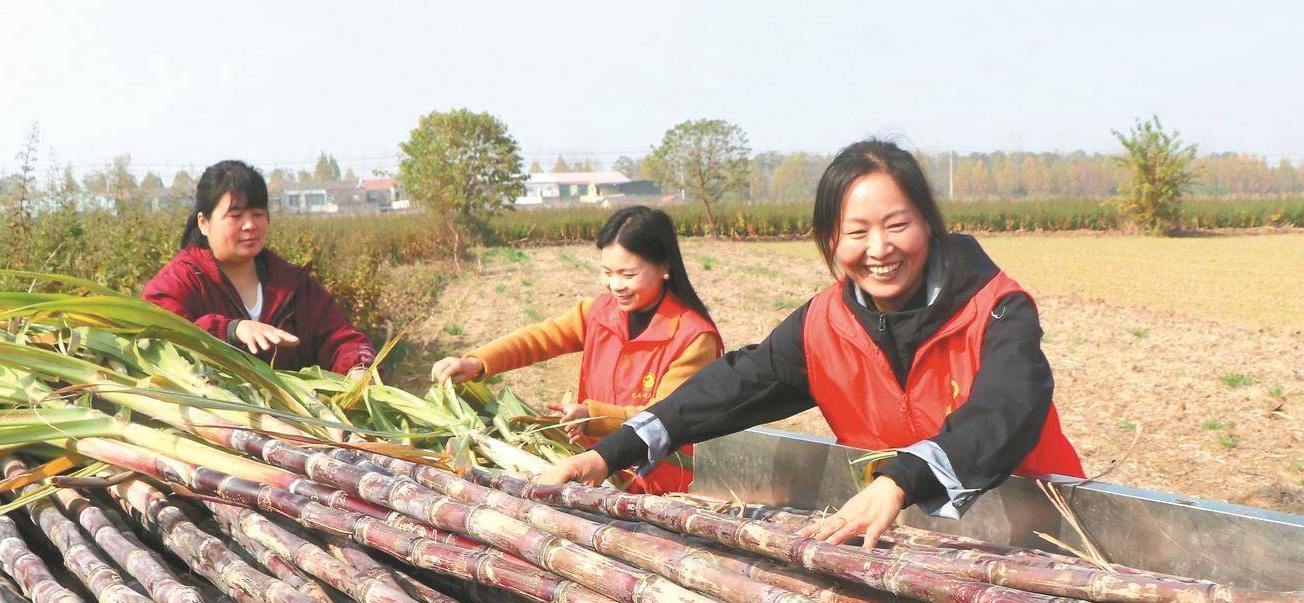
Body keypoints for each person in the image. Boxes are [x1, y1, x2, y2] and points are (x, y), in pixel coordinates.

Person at [541, 139, 1082, 544]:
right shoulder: (825, 324)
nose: (879, 249)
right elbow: (733, 386)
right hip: (910, 545)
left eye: (897, 225)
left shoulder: (997, 308)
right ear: (829, 239)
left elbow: (1005, 409)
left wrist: (899, 482)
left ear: (928, 225)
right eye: (856, 232)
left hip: (1044, 541)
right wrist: (611, 452)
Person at [430, 206, 721, 492]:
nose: (615, 285)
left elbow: (664, 417)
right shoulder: (599, 312)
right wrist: (478, 362)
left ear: (665, 267)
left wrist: (591, 415)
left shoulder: (694, 338)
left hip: (658, 486)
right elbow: (539, 339)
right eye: (607, 272)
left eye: (628, 275)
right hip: (596, 473)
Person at [143, 160, 376, 374]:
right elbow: (160, 338)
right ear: (204, 223)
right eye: (235, 216)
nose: (250, 225)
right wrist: (230, 330)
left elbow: (341, 339)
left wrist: (359, 369)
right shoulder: (178, 282)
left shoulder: (294, 286)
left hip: (295, 407)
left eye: (257, 214)